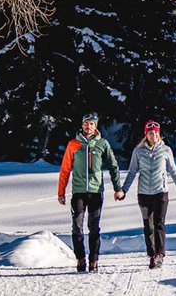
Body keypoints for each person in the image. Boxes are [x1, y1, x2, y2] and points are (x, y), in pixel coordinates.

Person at [56, 112, 122, 273]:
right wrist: (61, 192)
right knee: (77, 227)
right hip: (78, 192)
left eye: (92, 123)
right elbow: (65, 169)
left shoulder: (102, 144)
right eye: (86, 123)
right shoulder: (73, 144)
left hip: (96, 191)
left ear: (96, 126)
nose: (88, 126)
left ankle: (94, 259)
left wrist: (118, 188)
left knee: (94, 227)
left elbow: (113, 166)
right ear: (82, 125)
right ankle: (80, 258)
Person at [119, 119, 176, 269]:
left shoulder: (166, 150)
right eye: (151, 133)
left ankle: (159, 255)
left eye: (156, 133)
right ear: (146, 135)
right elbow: (132, 172)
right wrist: (124, 190)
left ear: (159, 134)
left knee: (159, 224)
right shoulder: (138, 151)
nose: (154, 135)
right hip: (144, 194)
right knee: (148, 226)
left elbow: (174, 171)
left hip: (160, 193)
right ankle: (151, 255)